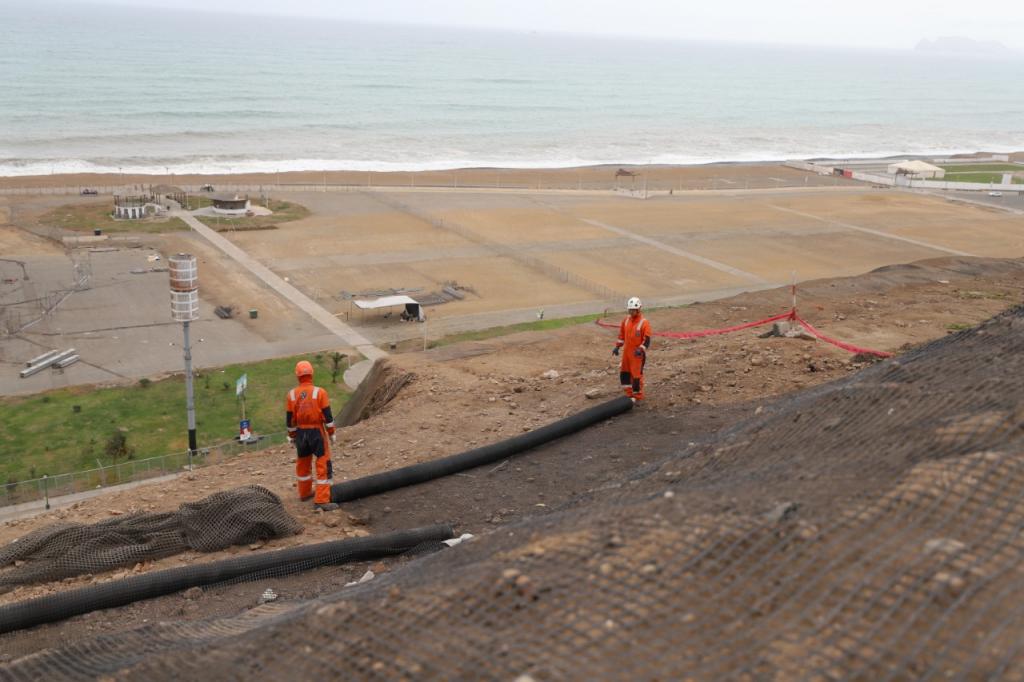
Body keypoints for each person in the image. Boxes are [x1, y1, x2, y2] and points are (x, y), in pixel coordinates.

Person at [285, 360, 339, 511]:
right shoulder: (319, 392)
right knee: (322, 463)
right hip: (316, 432)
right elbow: (328, 417)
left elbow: (290, 420)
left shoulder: (291, 395)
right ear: (311, 374)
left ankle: (305, 492)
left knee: (303, 464)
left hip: (301, 433)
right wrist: (332, 433)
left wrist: (292, 435)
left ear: (297, 376)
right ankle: (321, 501)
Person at [612, 297, 651, 401]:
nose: (631, 312)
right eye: (630, 310)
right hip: (626, 354)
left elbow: (647, 340)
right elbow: (621, 336)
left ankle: (637, 396)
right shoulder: (626, 321)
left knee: (636, 376)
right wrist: (617, 347)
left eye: (633, 310)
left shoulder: (644, 323)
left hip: (637, 355)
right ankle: (629, 395)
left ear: (638, 309)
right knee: (624, 374)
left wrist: (641, 349)